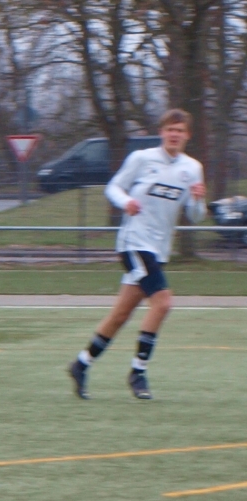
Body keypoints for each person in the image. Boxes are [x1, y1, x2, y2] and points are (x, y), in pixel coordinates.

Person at [68, 108, 204, 402]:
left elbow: (195, 215)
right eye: (170, 129)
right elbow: (113, 187)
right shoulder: (142, 158)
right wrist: (126, 201)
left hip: (159, 248)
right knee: (163, 303)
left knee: (120, 314)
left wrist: (197, 199)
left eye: (180, 130)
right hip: (134, 243)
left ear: (187, 135)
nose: (174, 134)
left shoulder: (192, 168)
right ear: (162, 132)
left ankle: (81, 364)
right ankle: (138, 372)